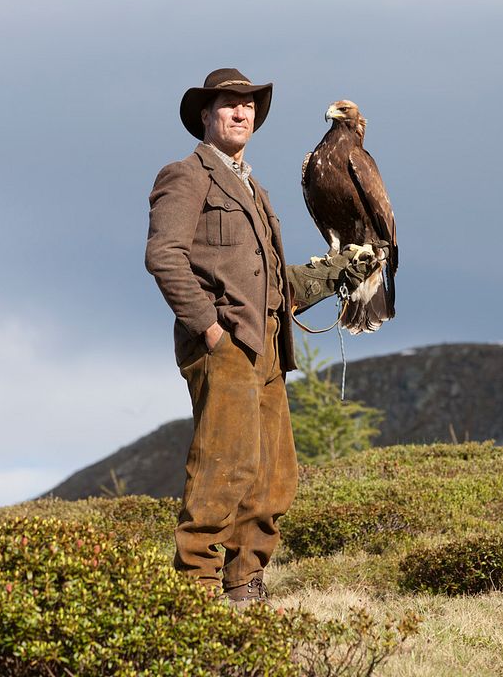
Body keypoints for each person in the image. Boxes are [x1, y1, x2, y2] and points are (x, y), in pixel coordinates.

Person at [144, 68, 374, 609]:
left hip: (269, 349)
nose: (241, 113)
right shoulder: (187, 175)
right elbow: (163, 257)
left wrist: (335, 273)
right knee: (224, 469)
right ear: (206, 116)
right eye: (229, 105)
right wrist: (210, 329)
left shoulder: (256, 189)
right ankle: (195, 593)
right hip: (224, 349)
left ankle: (244, 584)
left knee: (274, 477)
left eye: (249, 106)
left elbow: (275, 284)